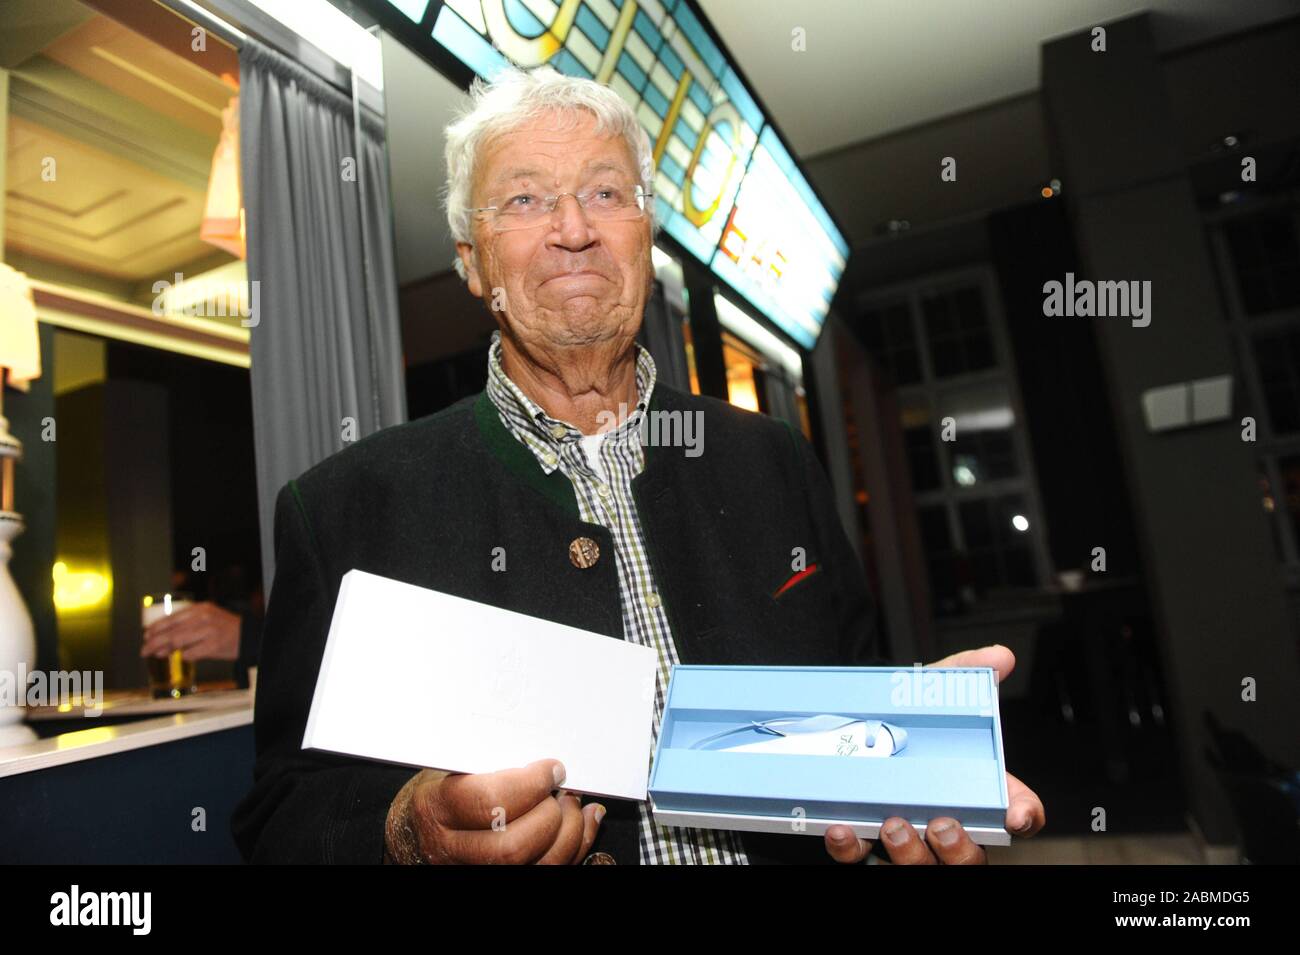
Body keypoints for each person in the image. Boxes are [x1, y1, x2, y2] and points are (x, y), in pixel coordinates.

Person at [231, 64, 1044, 865]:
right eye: (524, 199)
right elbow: (281, 815)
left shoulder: (773, 459)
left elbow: (849, 705)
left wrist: (919, 755)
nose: (574, 227)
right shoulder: (343, 510)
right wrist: (408, 833)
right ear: (473, 261)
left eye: (607, 192)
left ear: (647, 238)